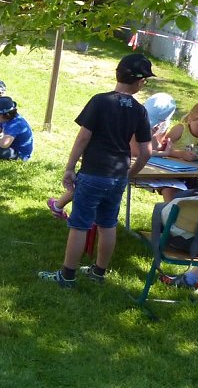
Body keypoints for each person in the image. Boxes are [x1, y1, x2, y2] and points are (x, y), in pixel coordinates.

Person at [38, 53, 154, 287]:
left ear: (118, 74)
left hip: (93, 173)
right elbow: (146, 152)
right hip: (117, 175)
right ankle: (99, 272)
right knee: (108, 223)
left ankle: (67, 276)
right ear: (140, 82)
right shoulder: (140, 111)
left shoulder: (100, 101)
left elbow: (83, 138)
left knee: (80, 224)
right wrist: (130, 174)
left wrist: (70, 168)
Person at [47, 92, 177, 220]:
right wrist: (163, 153)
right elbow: (137, 151)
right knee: (87, 190)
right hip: (109, 163)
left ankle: (59, 206)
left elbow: (151, 146)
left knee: (89, 190)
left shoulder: (149, 119)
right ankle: (59, 206)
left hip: (115, 166)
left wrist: (155, 139)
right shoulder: (136, 116)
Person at [152, 101, 198, 202]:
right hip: (170, 174)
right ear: (190, 119)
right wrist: (179, 154)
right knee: (172, 198)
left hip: (193, 176)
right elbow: (161, 149)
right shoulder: (180, 129)